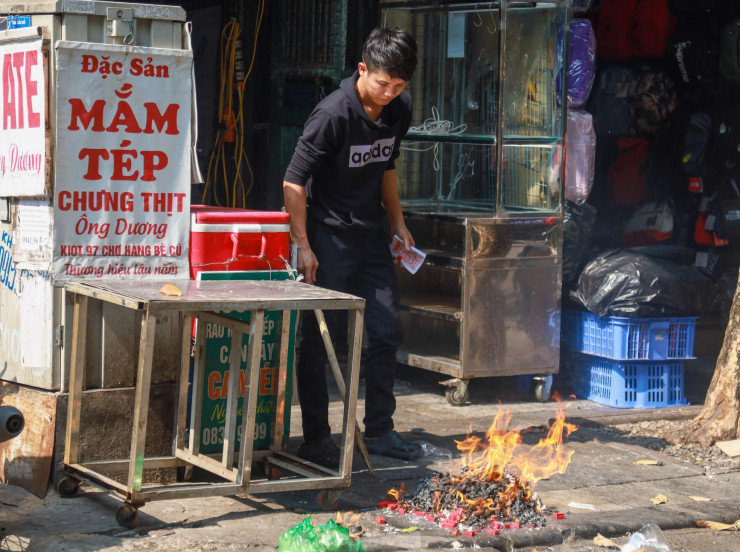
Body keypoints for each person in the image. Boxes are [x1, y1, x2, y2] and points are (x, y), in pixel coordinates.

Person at [282, 27, 422, 467]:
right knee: (322, 339)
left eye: (399, 86)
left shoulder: (399, 108)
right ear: (362, 69)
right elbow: (292, 181)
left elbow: (386, 165)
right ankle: (317, 438)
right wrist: (302, 245)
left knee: (385, 332)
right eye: (383, 83)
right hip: (327, 235)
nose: (389, 93)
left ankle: (380, 430)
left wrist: (398, 222)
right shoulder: (332, 114)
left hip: (372, 236)